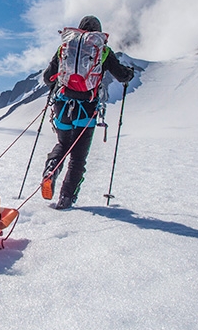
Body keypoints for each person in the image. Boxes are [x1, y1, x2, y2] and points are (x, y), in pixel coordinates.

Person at [42, 15, 134, 209]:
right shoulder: (103, 50)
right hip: (86, 110)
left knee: (63, 143)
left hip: (62, 107)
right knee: (78, 157)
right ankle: (66, 198)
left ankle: (50, 171)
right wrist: (130, 73)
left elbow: (48, 78)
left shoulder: (65, 47)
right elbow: (122, 75)